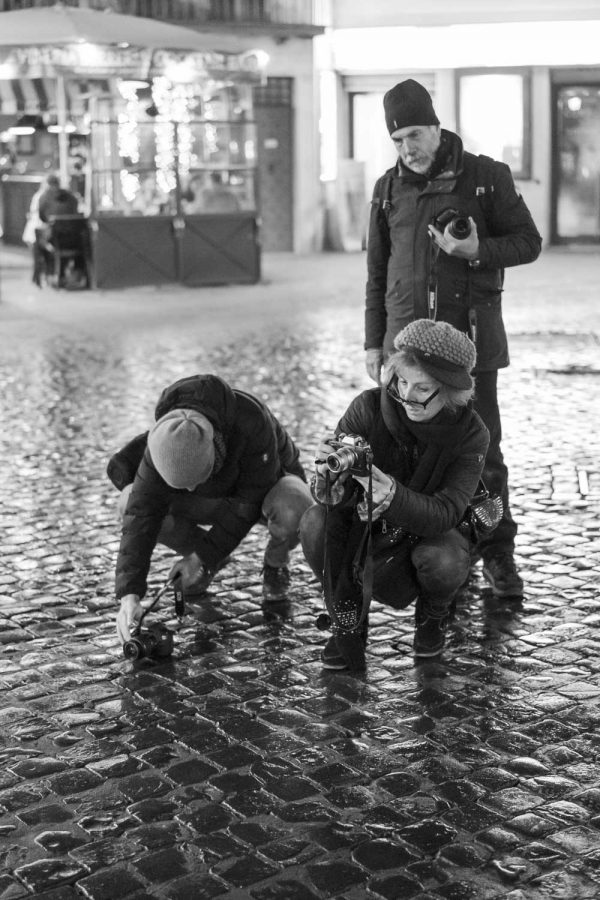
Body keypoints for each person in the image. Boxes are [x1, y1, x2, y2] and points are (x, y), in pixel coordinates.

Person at [364, 79, 542, 600]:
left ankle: (498, 555)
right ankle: (441, 555)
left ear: (437, 126)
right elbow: (377, 273)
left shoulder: (487, 177)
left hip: (469, 348)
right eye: (397, 141)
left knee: (484, 454)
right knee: (407, 452)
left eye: (414, 135)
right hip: (404, 349)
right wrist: (374, 343)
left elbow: (529, 242)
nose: (407, 149)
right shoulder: (386, 188)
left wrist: (475, 250)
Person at [300, 319, 490, 671]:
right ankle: (350, 619)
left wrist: (393, 498)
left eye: (422, 388)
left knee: (445, 559)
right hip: (366, 528)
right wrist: (330, 483)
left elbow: (447, 511)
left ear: (449, 390)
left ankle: (432, 616)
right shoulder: (368, 407)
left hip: (428, 534)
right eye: (401, 381)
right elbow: (335, 497)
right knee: (314, 521)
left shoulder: (471, 433)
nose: (407, 396)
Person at [112, 374, 313, 645]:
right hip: (217, 499)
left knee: (294, 509)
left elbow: (247, 508)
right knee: (129, 503)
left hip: (265, 491)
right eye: (184, 485)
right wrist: (129, 596)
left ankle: (275, 566)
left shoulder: (251, 421)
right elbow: (141, 515)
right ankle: (209, 563)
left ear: (215, 452)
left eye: (196, 479)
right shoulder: (162, 442)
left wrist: (200, 556)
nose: (190, 490)